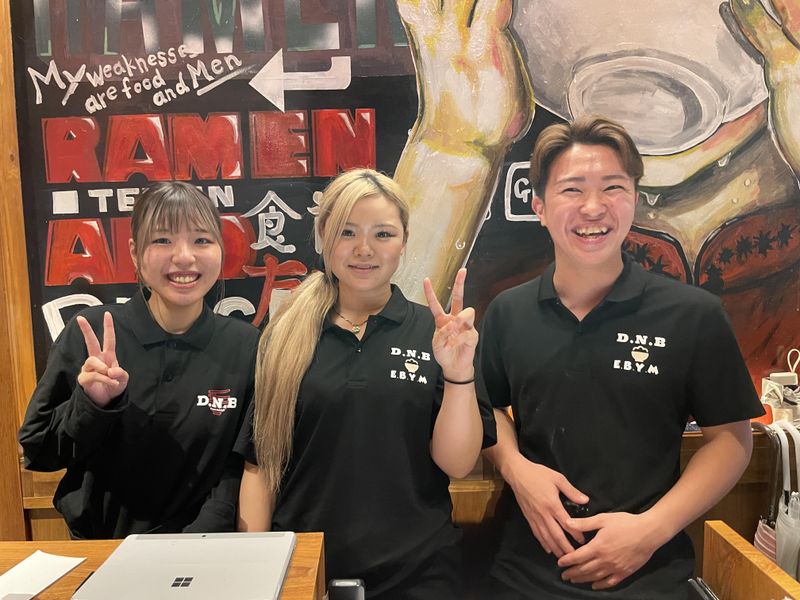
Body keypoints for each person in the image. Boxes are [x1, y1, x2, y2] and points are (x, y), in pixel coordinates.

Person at [479, 117, 764, 599]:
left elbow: (731, 440)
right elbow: (484, 407)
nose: (593, 207)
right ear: (540, 207)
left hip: (648, 576)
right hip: (523, 575)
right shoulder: (509, 311)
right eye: (572, 189)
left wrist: (651, 529)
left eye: (613, 187)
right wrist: (516, 468)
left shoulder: (692, 314)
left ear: (634, 198)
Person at [237, 168, 496, 599]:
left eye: (383, 234)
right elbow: (259, 465)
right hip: (309, 568)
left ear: (404, 241)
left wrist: (457, 371)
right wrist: (258, 571)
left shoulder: (434, 334)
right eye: (347, 231)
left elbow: (457, 463)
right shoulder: (285, 334)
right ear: (323, 236)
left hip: (419, 572)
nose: (364, 249)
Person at [19, 181, 258, 539]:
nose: (184, 257)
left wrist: (199, 540)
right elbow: (39, 452)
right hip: (100, 549)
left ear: (221, 249)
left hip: (202, 549)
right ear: (135, 252)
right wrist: (92, 405)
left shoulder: (245, 345)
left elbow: (236, 465)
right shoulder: (92, 333)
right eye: (162, 240)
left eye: (201, 240)